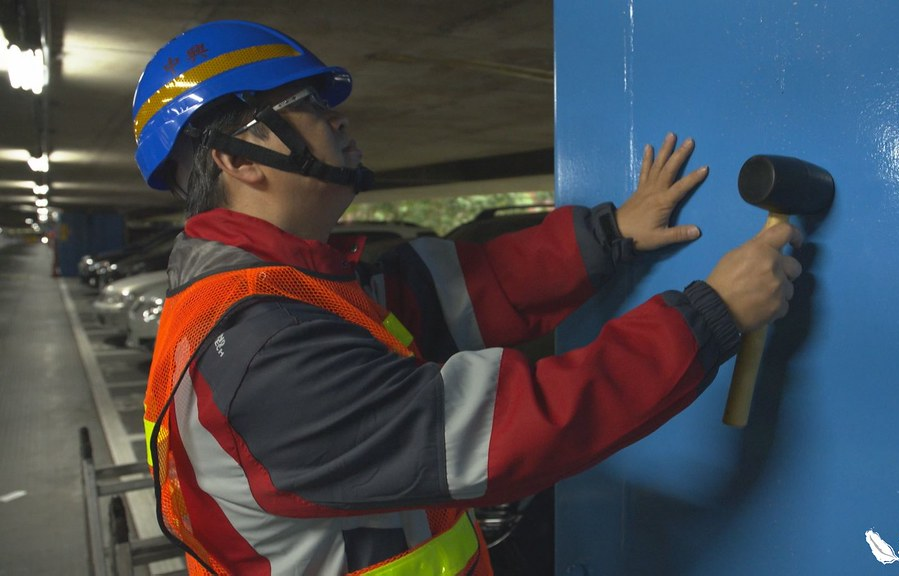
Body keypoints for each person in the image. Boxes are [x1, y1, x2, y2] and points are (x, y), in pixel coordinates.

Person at [133, 20, 803, 576]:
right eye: (306, 106)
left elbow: (462, 284)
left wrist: (612, 235)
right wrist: (709, 315)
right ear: (240, 158)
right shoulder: (261, 349)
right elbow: (508, 427)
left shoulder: (290, 290)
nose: (336, 120)